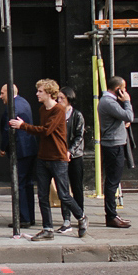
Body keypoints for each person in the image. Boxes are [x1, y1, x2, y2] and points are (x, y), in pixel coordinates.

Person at [9, 79, 88, 240]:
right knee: (42, 195)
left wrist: (23, 126)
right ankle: (47, 229)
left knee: (64, 194)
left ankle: (81, 217)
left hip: (57, 158)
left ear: (49, 93)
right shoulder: (42, 110)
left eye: (40, 91)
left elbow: (46, 131)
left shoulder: (58, 110)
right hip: (43, 157)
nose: (37, 94)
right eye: (37, 91)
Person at [0, 82, 38, 228]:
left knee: (19, 184)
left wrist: (3, 148)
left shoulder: (13, 106)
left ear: (9, 92)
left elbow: (7, 129)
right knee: (27, 184)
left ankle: (23, 218)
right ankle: (30, 216)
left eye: (2, 93)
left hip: (20, 149)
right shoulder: (24, 102)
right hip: (29, 148)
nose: (0, 96)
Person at [99, 75, 135, 229]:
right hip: (113, 145)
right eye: (124, 88)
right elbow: (129, 116)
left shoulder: (110, 102)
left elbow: (122, 119)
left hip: (116, 143)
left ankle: (113, 214)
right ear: (118, 89)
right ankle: (111, 216)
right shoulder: (108, 102)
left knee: (114, 180)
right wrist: (126, 101)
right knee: (112, 181)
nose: (125, 91)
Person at [58, 86, 87, 233]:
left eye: (62, 98)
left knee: (76, 187)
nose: (59, 100)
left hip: (75, 155)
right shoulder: (57, 114)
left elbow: (79, 135)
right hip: (61, 154)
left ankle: (80, 215)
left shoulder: (77, 115)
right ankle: (66, 219)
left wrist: (71, 151)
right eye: (58, 98)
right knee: (63, 189)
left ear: (69, 99)